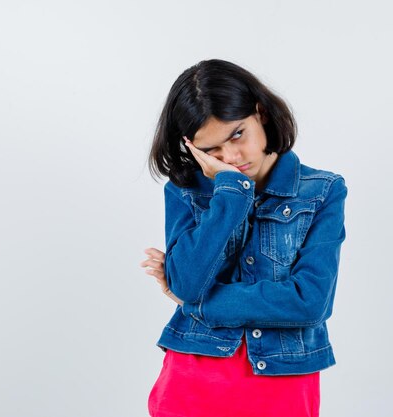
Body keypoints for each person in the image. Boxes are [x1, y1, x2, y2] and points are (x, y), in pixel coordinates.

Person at [140, 59, 348, 417]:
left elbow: (311, 302)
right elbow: (188, 283)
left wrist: (200, 305)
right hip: (191, 380)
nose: (231, 158)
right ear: (191, 147)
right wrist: (232, 191)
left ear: (261, 113)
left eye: (237, 134)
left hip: (282, 386)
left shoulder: (322, 191)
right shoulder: (186, 191)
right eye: (211, 150)